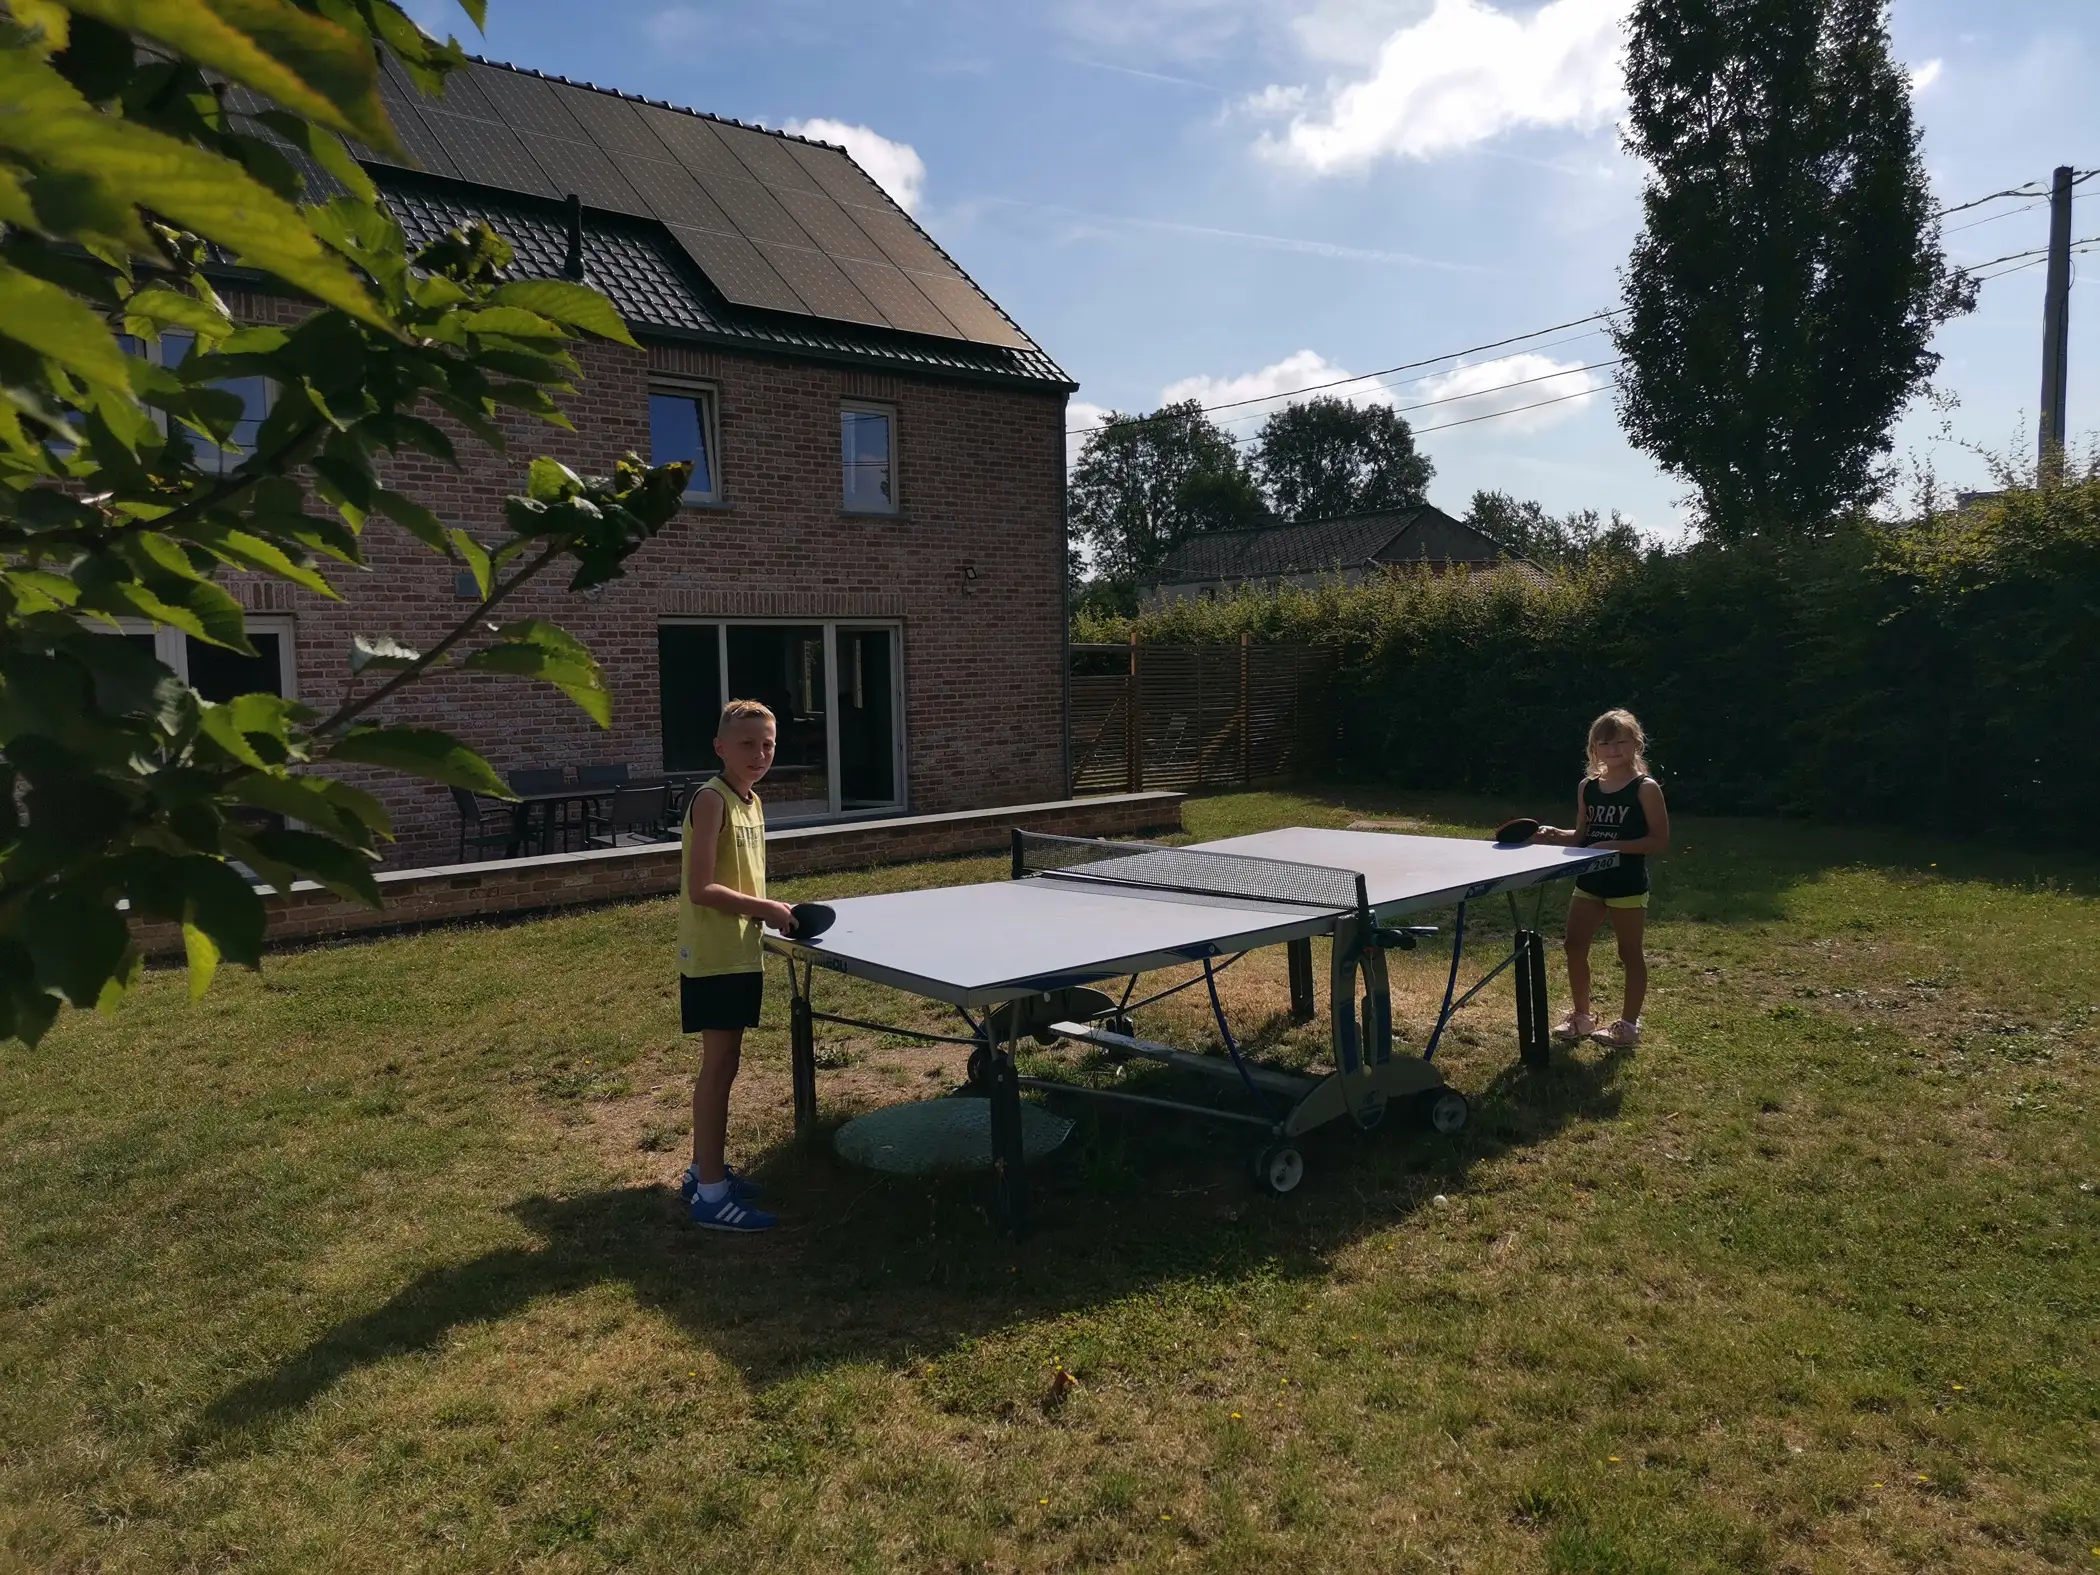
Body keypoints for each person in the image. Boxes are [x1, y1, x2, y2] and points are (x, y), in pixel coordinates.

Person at [675, 699, 799, 1232]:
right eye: (747, 743)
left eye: (767, 744)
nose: (759, 754)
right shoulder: (711, 800)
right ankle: (710, 1195)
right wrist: (767, 909)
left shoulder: (753, 801)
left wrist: (766, 914)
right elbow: (702, 888)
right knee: (719, 1067)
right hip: (714, 955)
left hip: (740, 950)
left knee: (728, 1064)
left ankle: (703, 1170)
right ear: (720, 747)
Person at [1533, 708, 1671, 1050]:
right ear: (1594, 748)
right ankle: (1582, 1017)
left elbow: (1658, 841)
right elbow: (1582, 835)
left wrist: (1613, 847)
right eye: (1604, 743)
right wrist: (1555, 834)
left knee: (1629, 952)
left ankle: (1628, 1026)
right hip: (1590, 881)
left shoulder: (1645, 788)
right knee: (1574, 945)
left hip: (1627, 883)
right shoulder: (1588, 787)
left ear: (1636, 744)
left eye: (1620, 742)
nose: (1612, 749)